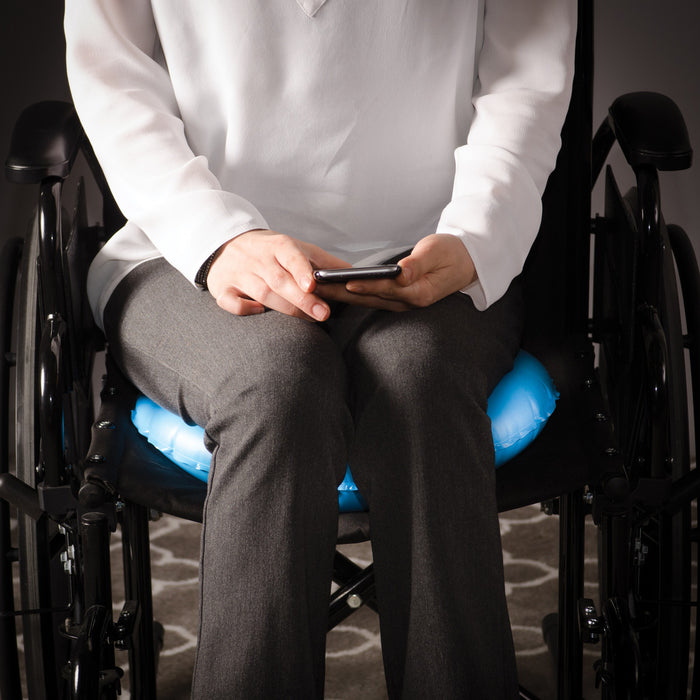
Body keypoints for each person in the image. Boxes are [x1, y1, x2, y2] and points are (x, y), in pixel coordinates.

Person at [64, 1, 575, 697]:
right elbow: (112, 73)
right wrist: (217, 238)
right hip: (184, 246)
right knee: (274, 384)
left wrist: (478, 232)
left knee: (416, 383)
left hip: (430, 249)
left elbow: (526, 72)